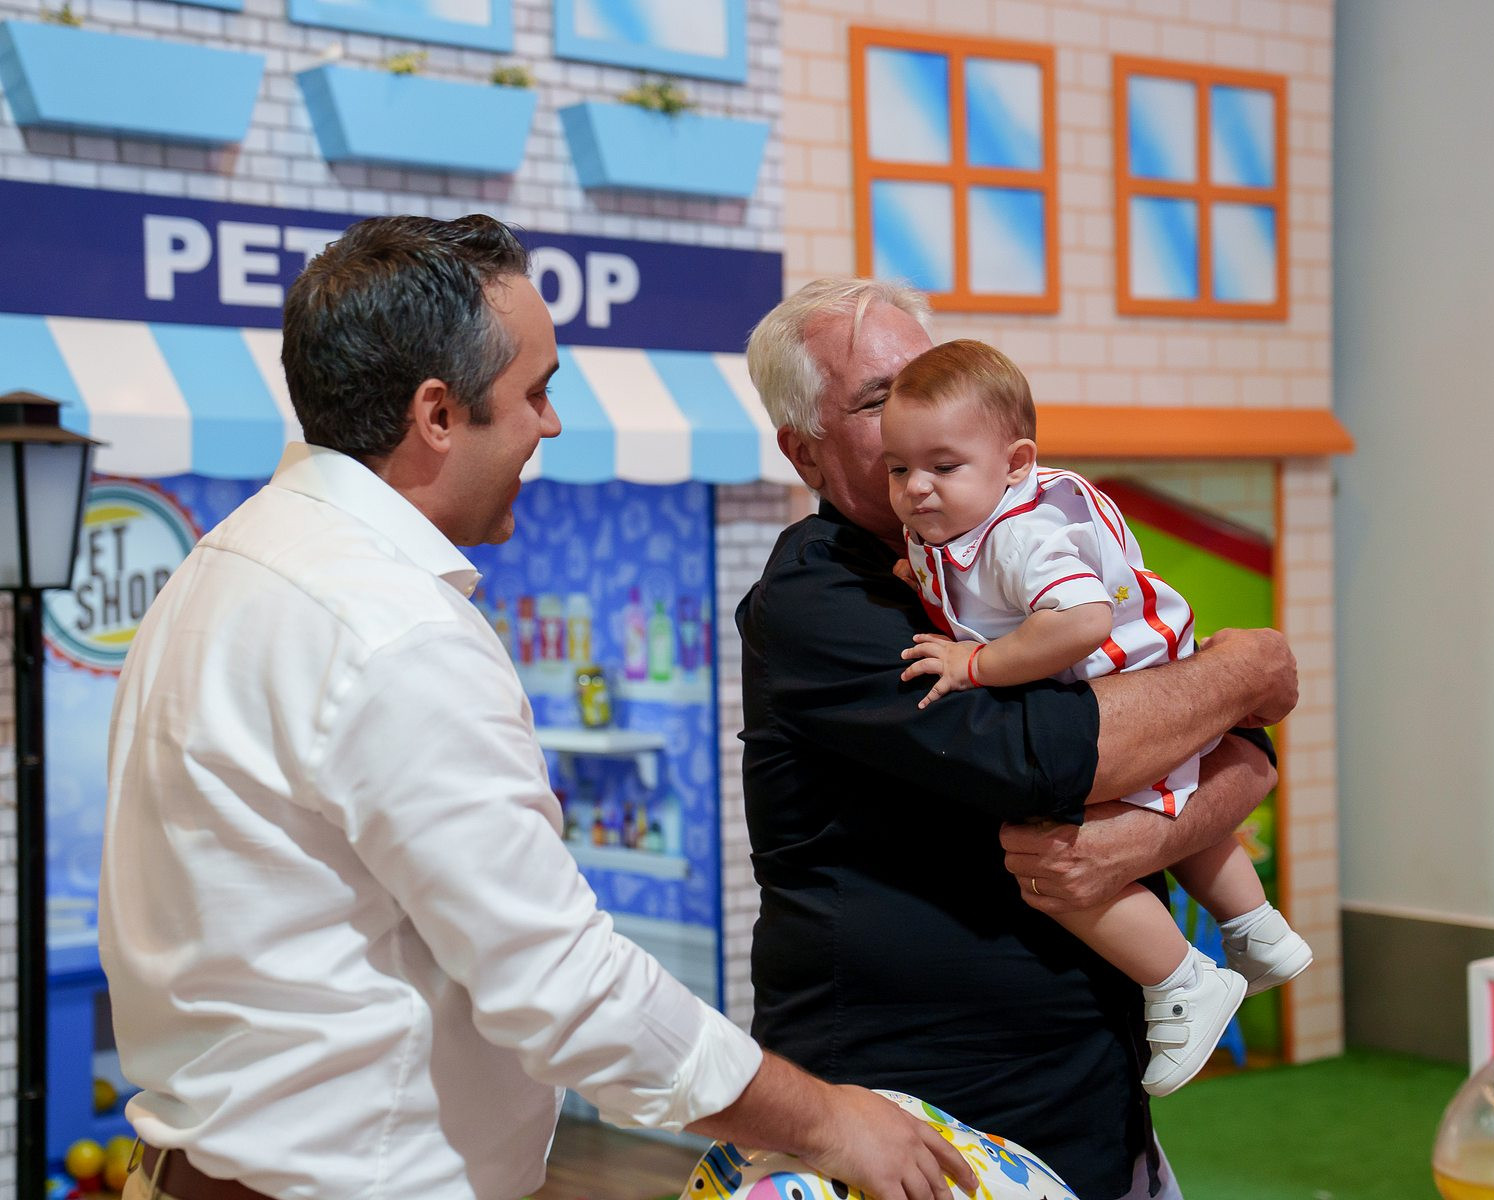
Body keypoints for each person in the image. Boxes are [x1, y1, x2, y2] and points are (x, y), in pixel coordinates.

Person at [99, 217, 976, 1200]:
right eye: (535, 392)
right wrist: (828, 1120)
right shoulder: (391, 627)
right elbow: (560, 985)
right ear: (438, 413)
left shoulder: (227, 563)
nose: (550, 426)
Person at [738, 277, 1298, 1199]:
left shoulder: (1015, 541)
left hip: (1094, 1092)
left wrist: (1148, 823)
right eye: (879, 401)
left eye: (928, 379)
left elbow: (1232, 751)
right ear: (805, 451)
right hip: (922, 1120)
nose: (918, 412)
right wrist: (1241, 673)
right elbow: (1047, 758)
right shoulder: (819, 601)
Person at [880, 338, 1312, 1097]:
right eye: (898, 469)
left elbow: (1080, 620)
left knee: (1053, 863)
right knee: (1171, 808)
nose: (917, 489)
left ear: (1016, 463)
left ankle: (1181, 980)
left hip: (1124, 687)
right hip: (1148, 673)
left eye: (943, 467)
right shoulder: (958, 525)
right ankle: (1256, 929)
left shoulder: (1019, 536)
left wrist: (975, 664)